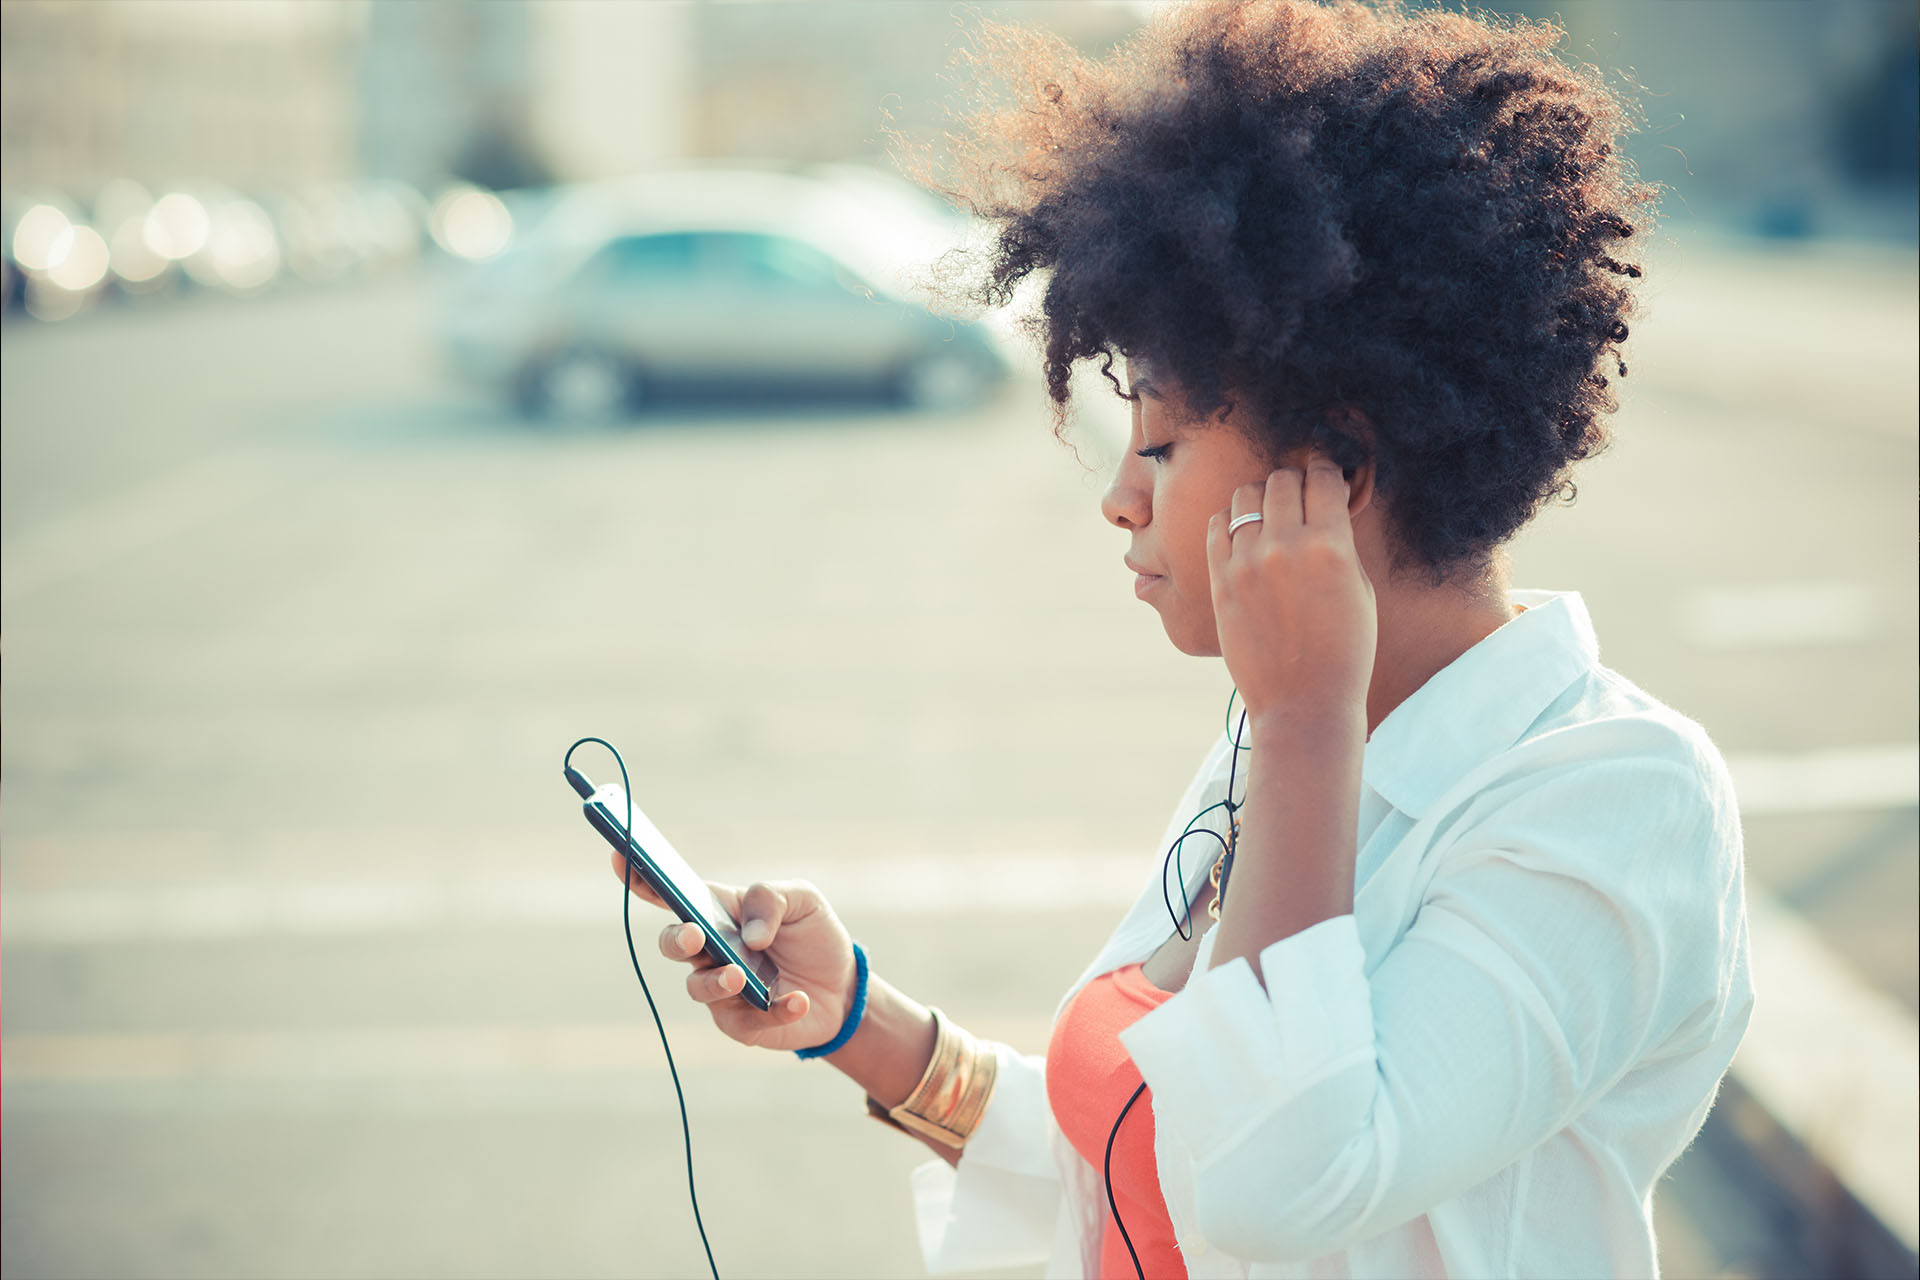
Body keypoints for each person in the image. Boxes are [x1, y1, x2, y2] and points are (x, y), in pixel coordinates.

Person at [612, 2, 1754, 1276]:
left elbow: (1275, 1187)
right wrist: (864, 1024)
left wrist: (1307, 725)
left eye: (1159, 442)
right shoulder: (1283, 742)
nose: (1120, 495)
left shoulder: (1612, 799)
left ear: (1337, 464)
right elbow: (1140, 1159)